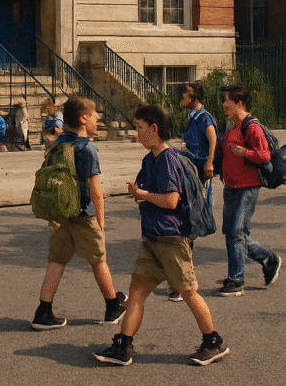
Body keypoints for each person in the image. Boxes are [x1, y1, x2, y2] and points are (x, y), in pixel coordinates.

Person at [94, 103, 229, 367]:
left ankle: (213, 340)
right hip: (153, 239)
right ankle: (124, 344)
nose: (136, 133)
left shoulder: (168, 160)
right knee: (137, 291)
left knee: (188, 291)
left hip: (171, 238)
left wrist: (141, 195)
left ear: (154, 129)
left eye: (140, 127)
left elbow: (170, 201)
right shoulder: (151, 159)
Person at [31, 96, 126, 331]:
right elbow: (96, 192)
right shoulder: (87, 148)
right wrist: (101, 222)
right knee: (99, 260)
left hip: (61, 213)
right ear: (84, 119)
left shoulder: (58, 144)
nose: (98, 121)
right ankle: (112, 305)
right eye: (95, 117)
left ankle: (43, 311)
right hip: (84, 214)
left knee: (56, 260)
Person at [218, 85, 281, 296]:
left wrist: (245, 152)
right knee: (232, 233)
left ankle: (236, 280)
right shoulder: (232, 126)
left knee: (236, 233)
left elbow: (264, 155)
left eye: (228, 101)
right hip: (231, 187)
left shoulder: (252, 127)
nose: (224, 105)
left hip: (247, 188)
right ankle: (269, 259)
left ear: (240, 104)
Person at [163, 81, 218, 304]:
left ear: (194, 96)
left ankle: (185, 280)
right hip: (190, 169)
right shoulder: (191, 117)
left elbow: (213, 139)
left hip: (200, 173)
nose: (180, 99)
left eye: (184, 95)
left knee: (192, 220)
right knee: (186, 223)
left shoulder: (205, 117)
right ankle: (183, 278)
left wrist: (210, 162)